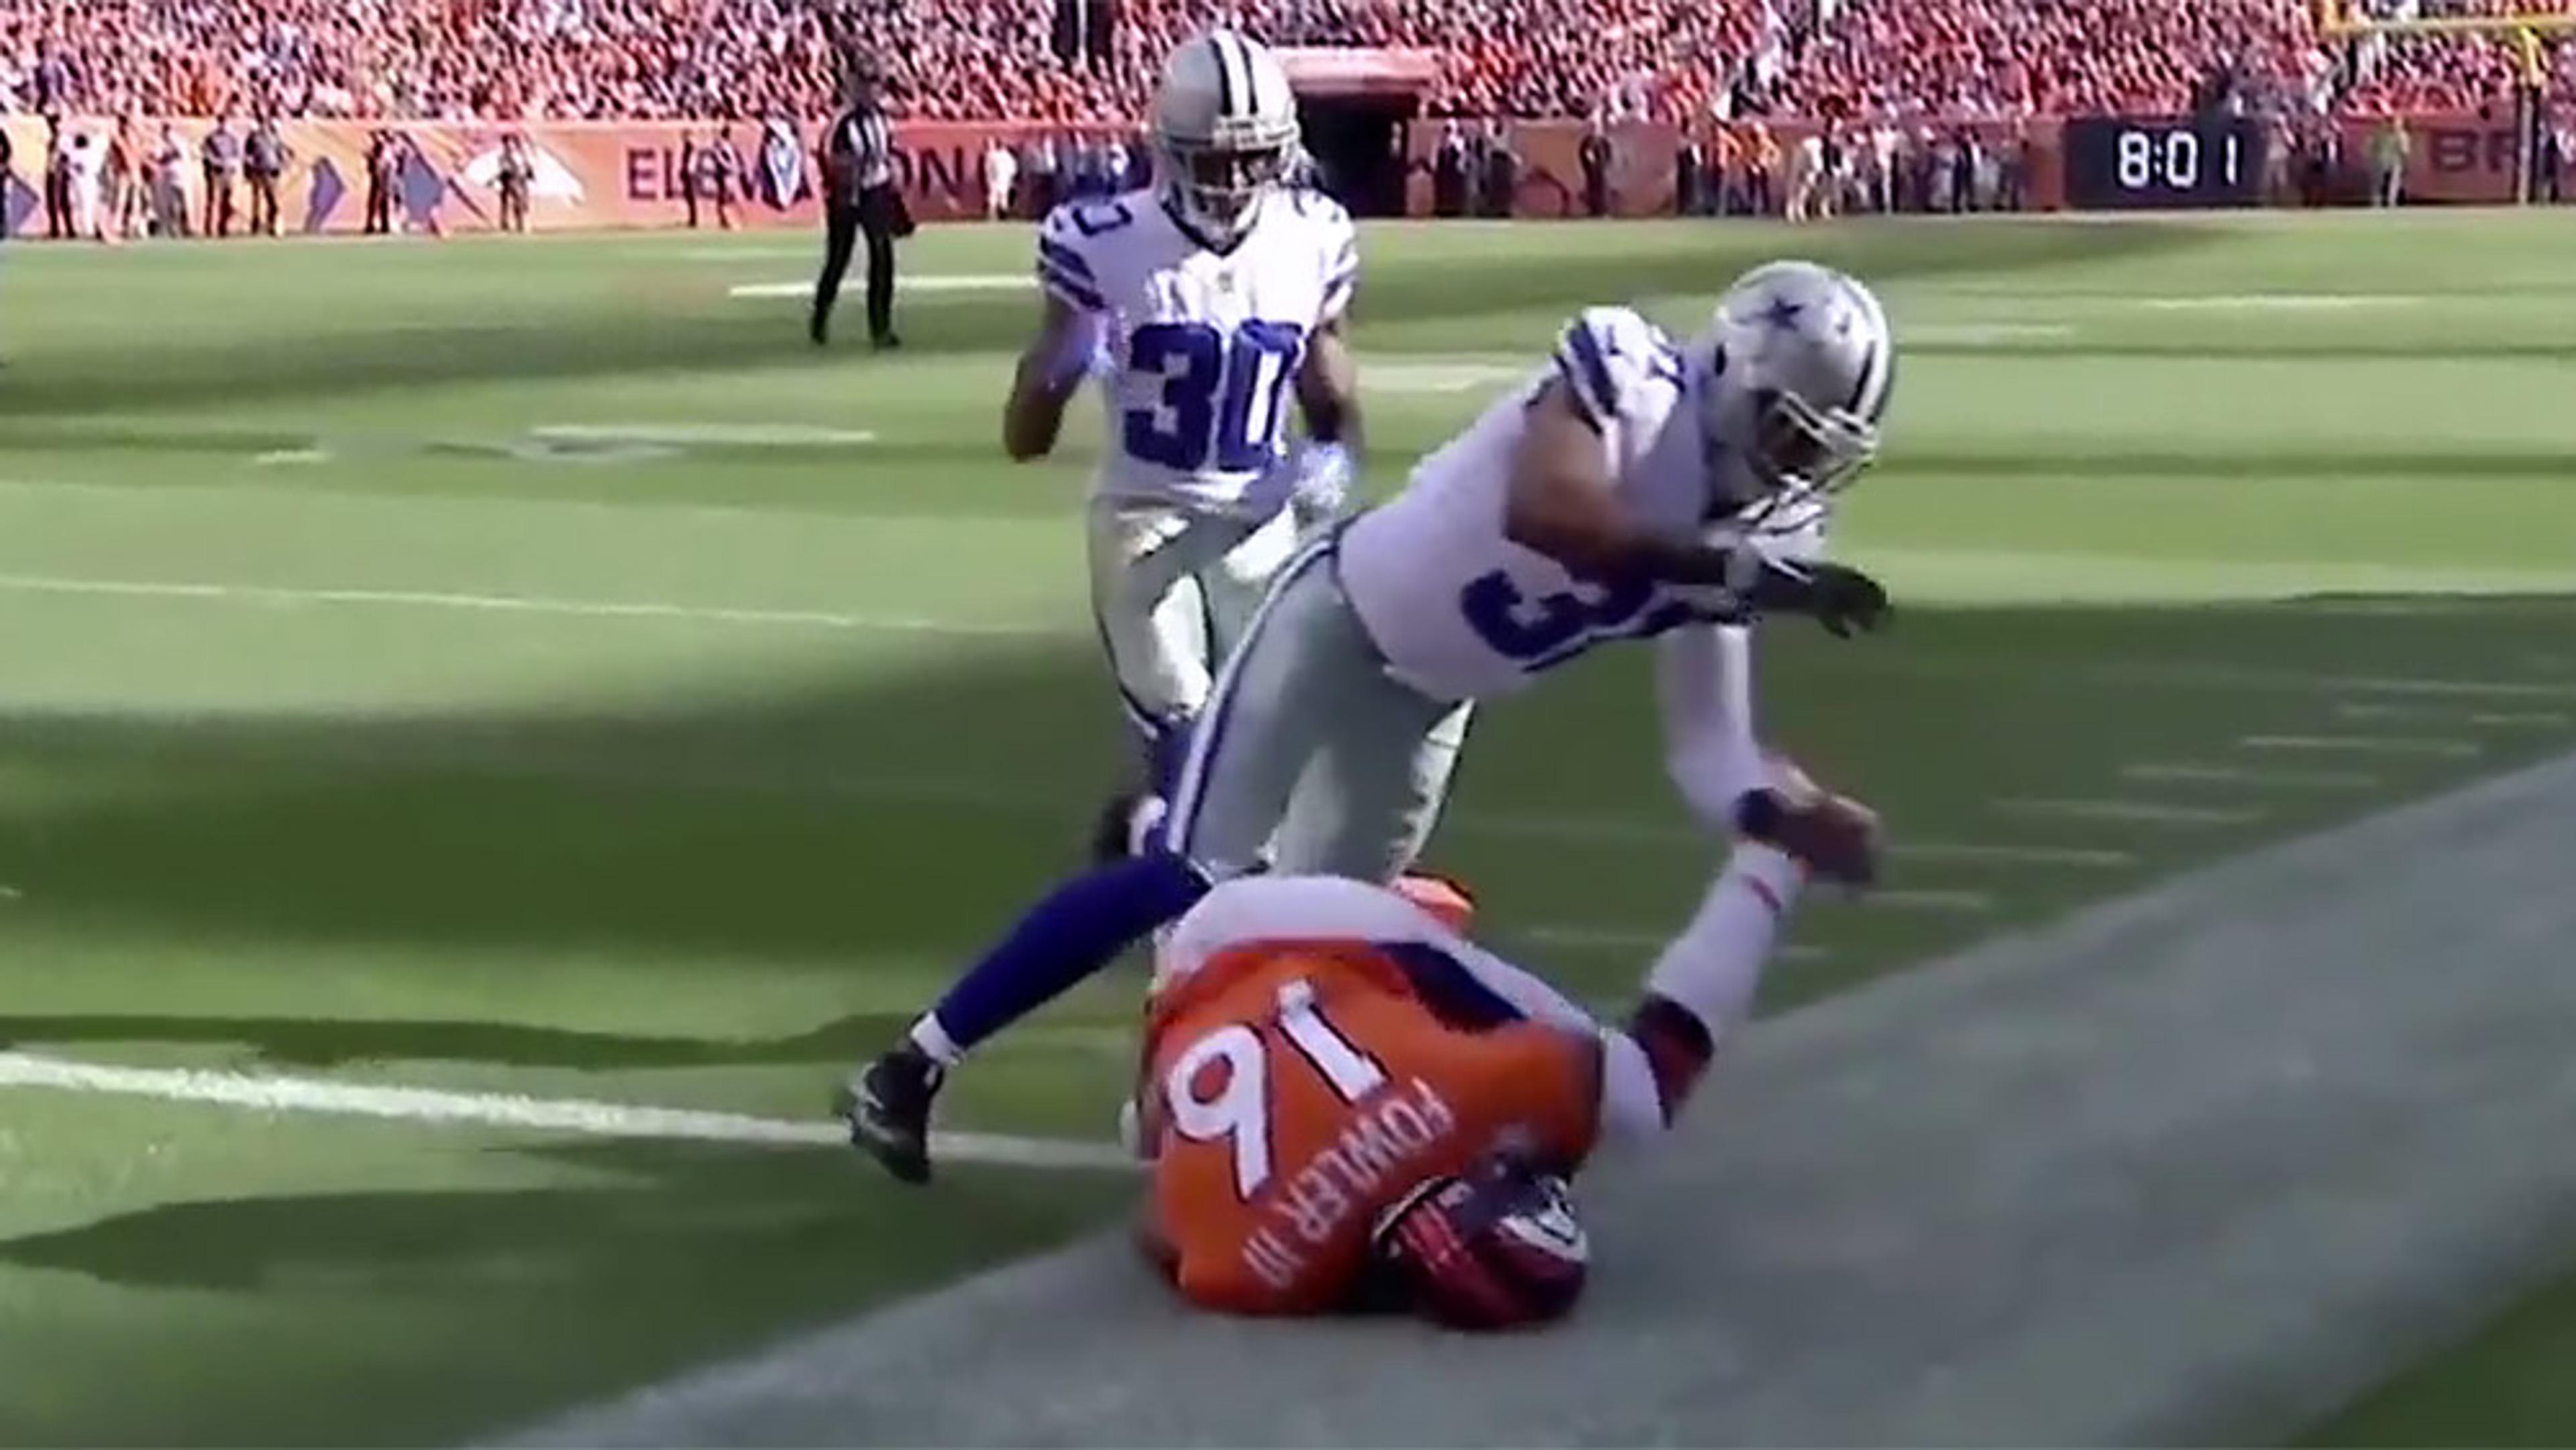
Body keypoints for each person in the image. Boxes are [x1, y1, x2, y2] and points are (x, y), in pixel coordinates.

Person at [843, 260, 1897, 1184]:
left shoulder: (1751, 532)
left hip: (1434, 703)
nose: (1794, 471)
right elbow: (1552, 512)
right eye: (1786, 433)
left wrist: (1787, 819)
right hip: (1338, 624)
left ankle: (1175, 1095)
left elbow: (1708, 742)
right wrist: (1732, 570)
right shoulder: (1634, 382)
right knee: (1199, 877)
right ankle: (913, 1065)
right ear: (1731, 373)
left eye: (1816, 454)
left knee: (1311, 941)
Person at [1133, 839, 1868, 1323]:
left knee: (1634, 1094)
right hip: (1175, 1015)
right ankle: (1777, 849)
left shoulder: (1488, 1089)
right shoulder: (1251, 1277)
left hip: (1281, 932)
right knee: (1631, 1089)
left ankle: (1775, 857)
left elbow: (1626, 1067)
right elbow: (1160, 1234)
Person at [1005, 27, 1356, 875]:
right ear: (1167, 147)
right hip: (1143, 517)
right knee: (1194, 742)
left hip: (1259, 516)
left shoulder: (1313, 234)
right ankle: (1194, 926)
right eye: (1214, 158)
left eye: (1252, 158)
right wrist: (1054, 370)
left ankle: (1135, 841)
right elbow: (1024, 437)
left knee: (1272, 733)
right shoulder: (1103, 240)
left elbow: (1326, 368)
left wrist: (1337, 448)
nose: (1233, 180)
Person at [810, 65, 906, 349]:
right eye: (867, 86)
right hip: (847, 195)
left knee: (882, 257)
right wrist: (842, 183)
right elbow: (829, 155)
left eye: (876, 86)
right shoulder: (843, 121)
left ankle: (881, 327)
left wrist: (892, 183)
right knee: (838, 259)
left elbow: (888, 152)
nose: (873, 92)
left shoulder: (881, 119)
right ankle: (820, 318)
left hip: (875, 190)